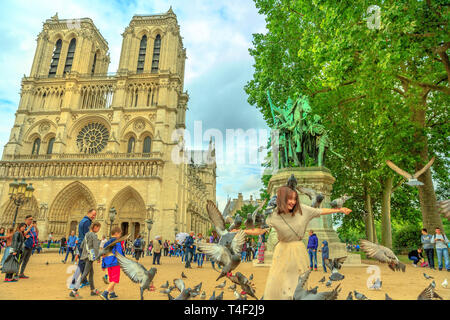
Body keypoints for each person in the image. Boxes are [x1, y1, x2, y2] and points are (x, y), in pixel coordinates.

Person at [261, 184, 351, 300]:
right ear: (282, 199)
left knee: (298, 284)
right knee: (279, 283)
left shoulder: (303, 209)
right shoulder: (273, 215)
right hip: (281, 251)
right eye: (290, 199)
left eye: (295, 199)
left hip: (298, 251)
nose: (293, 202)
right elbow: (262, 228)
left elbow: (320, 211)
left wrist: (339, 210)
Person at [70, 221, 102, 298]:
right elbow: (96, 247)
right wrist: (98, 257)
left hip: (85, 256)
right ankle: (74, 291)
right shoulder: (94, 235)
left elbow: (81, 245)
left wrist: (84, 253)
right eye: (98, 228)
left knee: (91, 273)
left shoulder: (86, 235)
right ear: (95, 227)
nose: (98, 230)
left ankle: (93, 290)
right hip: (89, 257)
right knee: (85, 274)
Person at [69, 209, 97, 289]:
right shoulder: (87, 222)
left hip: (81, 244)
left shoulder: (83, 221)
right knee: (81, 264)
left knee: (86, 265)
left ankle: (84, 281)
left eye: (95, 215)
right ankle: (73, 283)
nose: (94, 216)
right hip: (85, 246)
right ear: (88, 213)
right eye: (93, 214)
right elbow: (87, 235)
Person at [100, 226, 124, 300]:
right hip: (115, 263)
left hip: (108, 263)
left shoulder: (106, 243)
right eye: (120, 234)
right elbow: (119, 253)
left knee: (111, 278)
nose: (120, 236)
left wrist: (103, 265)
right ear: (116, 234)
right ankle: (105, 293)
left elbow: (103, 255)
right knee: (115, 279)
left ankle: (112, 293)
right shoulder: (117, 242)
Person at [18, 215, 37, 279]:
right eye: (30, 219)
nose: (31, 221)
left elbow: (36, 233)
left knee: (26, 260)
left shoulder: (32, 227)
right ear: (26, 220)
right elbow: (23, 234)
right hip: (25, 245)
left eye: (32, 219)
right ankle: (15, 273)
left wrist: (35, 227)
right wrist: (29, 227)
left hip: (31, 245)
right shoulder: (23, 226)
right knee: (20, 260)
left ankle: (21, 273)